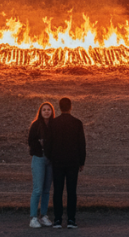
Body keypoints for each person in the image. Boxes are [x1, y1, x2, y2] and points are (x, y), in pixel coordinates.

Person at [44, 97, 86, 229]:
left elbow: (48, 143)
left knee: (58, 191)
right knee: (72, 191)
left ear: (59, 107)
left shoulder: (53, 123)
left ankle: (57, 220)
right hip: (73, 162)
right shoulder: (77, 123)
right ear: (71, 107)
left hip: (57, 162)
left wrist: (51, 157)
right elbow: (81, 144)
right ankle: (71, 220)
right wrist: (81, 161)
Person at [27, 102, 55, 228]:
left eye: (49, 109)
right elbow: (30, 141)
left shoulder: (55, 125)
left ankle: (43, 216)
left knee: (46, 190)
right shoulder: (36, 125)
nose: (46, 111)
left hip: (51, 159)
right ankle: (33, 217)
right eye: (44, 109)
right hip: (39, 158)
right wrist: (40, 147)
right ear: (40, 111)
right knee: (37, 189)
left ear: (52, 111)